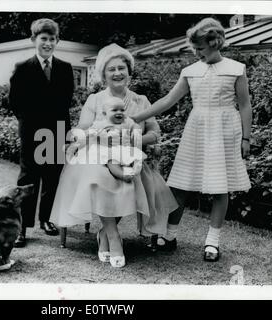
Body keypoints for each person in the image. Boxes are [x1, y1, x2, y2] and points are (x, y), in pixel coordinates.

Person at [131, 18, 252, 262]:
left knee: (220, 188)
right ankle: (170, 236)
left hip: (225, 131)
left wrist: (247, 138)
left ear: (215, 43)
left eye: (201, 49)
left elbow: (245, 104)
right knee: (180, 185)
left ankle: (212, 243)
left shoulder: (236, 68)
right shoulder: (190, 72)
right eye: (194, 49)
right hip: (196, 130)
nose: (197, 53)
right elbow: (167, 101)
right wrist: (136, 117)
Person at [49, 43, 178, 268]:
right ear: (103, 75)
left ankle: (103, 234)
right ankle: (113, 236)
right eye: (112, 69)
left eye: (122, 68)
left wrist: (132, 140)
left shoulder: (141, 100)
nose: (117, 73)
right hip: (97, 155)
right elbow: (84, 132)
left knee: (135, 178)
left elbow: (155, 134)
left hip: (130, 155)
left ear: (129, 71)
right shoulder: (95, 100)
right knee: (101, 178)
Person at [8, 18, 74, 247]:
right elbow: (15, 102)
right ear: (33, 40)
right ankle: (22, 228)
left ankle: (46, 219)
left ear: (57, 41)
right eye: (43, 39)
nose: (47, 43)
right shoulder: (22, 68)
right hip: (31, 131)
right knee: (28, 178)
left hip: (56, 130)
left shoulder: (65, 68)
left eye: (52, 39)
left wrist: (62, 132)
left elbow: (67, 100)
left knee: (52, 176)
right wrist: (31, 125)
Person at [66, 96, 146, 183]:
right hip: (109, 150)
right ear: (105, 113)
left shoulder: (127, 121)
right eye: (114, 110)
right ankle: (121, 174)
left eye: (122, 110)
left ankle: (135, 169)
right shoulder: (101, 124)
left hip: (124, 148)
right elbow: (90, 132)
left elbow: (135, 126)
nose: (119, 112)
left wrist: (135, 130)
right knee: (111, 161)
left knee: (136, 157)